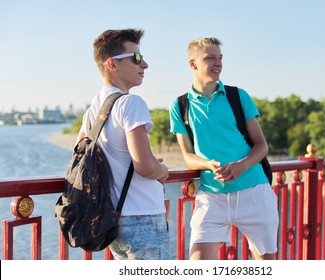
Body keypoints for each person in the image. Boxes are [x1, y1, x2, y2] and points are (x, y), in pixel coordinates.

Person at [169, 37, 279, 260]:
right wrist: (208, 164)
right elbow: (188, 156)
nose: (217, 63)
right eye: (210, 58)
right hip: (211, 196)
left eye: (220, 58)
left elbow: (261, 145)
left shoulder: (238, 96)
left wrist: (241, 165)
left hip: (254, 191)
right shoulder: (180, 106)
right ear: (193, 64)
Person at [76, 28, 170, 260]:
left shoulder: (92, 111)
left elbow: (80, 156)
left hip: (113, 221)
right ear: (112, 64)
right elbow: (145, 167)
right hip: (143, 216)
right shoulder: (131, 103)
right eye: (136, 57)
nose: (144, 64)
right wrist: (162, 170)